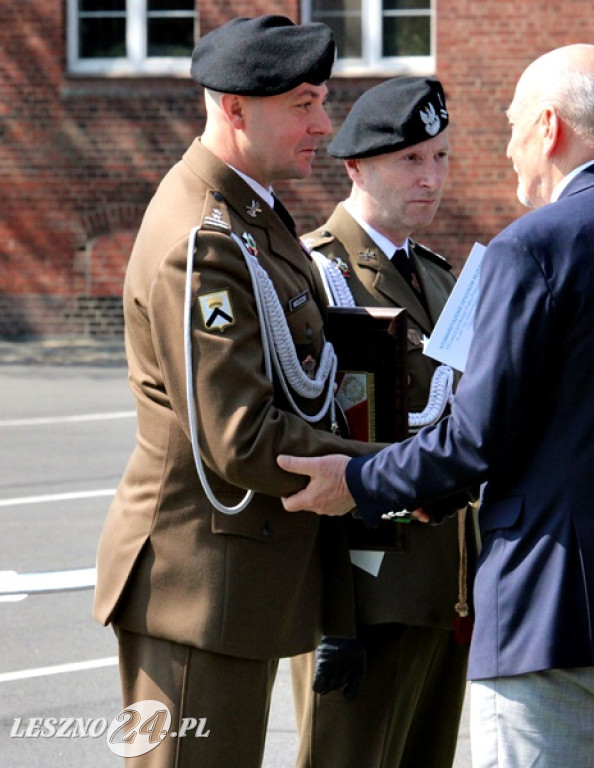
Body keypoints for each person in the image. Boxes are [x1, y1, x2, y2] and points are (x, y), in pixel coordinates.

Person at [278, 43, 594, 767]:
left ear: (549, 129)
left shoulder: (536, 247)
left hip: (559, 602)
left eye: (513, 126)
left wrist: (357, 482)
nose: (506, 148)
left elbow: (476, 437)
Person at [92, 16, 374, 768]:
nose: (324, 125)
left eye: (322, 102)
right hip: (197, 588)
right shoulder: (204, 239)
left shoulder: (250, 213)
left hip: (237, 580)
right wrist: (380, 470)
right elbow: (241, 437)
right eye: (304, 104)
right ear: (236, 108)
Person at [289, 76, 472, 768]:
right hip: (363, 593)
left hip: (442, 585)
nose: (432, 178)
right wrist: (334, 619)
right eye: (412, 160)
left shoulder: (439, 277)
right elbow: (309, 442)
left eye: (442, 158)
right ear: (356, 166)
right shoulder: (318, 276)